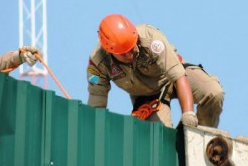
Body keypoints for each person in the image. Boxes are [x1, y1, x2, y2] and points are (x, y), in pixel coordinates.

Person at [87, 14, 224, 128]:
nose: (129, 55)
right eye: (123, 53)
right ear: (109, 51)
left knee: (213, 93)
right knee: (158, 139)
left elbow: (178, 75)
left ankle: (202, 140)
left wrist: (188, 114)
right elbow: (96, 103)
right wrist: (94, 128)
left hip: (173, 77)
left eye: (131, 48)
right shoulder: (98, 63)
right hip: (148, 97)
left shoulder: (150, 37)